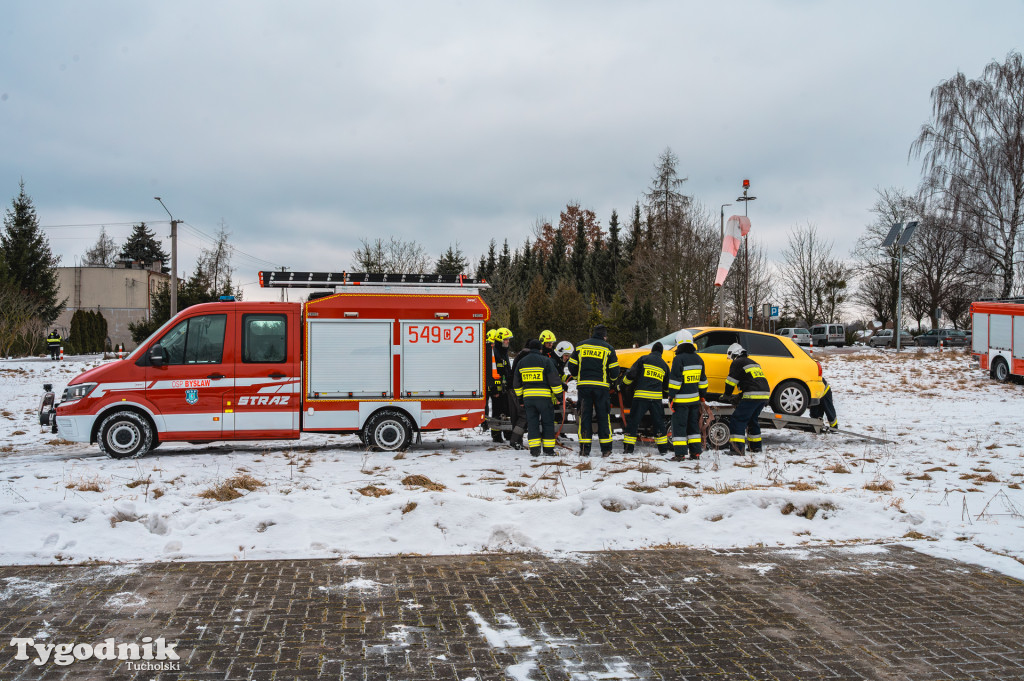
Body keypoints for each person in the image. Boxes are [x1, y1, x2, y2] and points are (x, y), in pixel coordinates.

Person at [568, 324, 619, 457]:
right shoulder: (608, 348)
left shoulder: (580, 346)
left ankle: (585, 449)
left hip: (584, 387)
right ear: (604, 336)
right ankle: (606, 449)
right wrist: (612, 381)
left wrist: (577, 376)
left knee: (585, 417)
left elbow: (571, 366)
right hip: (601, 388)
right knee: (603, 417)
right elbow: (615, 371)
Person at [513, 338, 563, 456]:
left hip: (528, 399)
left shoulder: (522, 362)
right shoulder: (546, 361)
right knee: (548, 423)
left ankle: (535, 450)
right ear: (540, 349)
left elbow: (516, 383)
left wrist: (520, 398)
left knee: (532, 424)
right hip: (544, 398)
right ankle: (548, 450)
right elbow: (554, 380)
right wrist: (559, 397)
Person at [619, 341, 670, 455]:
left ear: (652, 350)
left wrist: (622, 386)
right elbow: (667, 388)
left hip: (641, 397)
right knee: (659, 423)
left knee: (633, 422)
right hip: (656, 399)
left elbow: (631, 375)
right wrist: (666, 396)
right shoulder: (664, 365)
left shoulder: (643, 359)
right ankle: (663, 450)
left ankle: (628, 449)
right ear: (661, 353)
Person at [722, 343, 770, 456]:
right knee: (752, 419)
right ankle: (755, 447)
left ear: (734, 354)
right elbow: (752, 381)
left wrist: (727, 395)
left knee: (738, 419)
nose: (732, 360)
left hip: (752, 394)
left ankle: (737, 449)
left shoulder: (737, 362)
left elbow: (730, 381)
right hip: (764, 394)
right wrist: (740, 396)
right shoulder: (753, 363)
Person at [667, 330, 708, 460]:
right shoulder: (699, 359)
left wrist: (671, 397)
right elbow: (703, 381)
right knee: (693, 427)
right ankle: (695, 453)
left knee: (679, 427)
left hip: (681, 402)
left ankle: (680, 454)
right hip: (694, 401)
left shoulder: (678, 359)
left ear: (678, 343)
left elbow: (675, 381)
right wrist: (702, 396)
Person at [487, 328, 514, 443]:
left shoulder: (504, 352)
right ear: (499, 340)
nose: (508, 341)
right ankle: (496, 435)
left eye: (508, 339)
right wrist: (494, 390)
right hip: (497, 390)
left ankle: (507, 433)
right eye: (506, 339)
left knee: (507, 411)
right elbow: (490, 372)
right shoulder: (494, 352)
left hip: (505, 389)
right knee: (497, 413)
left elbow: (506, 370)